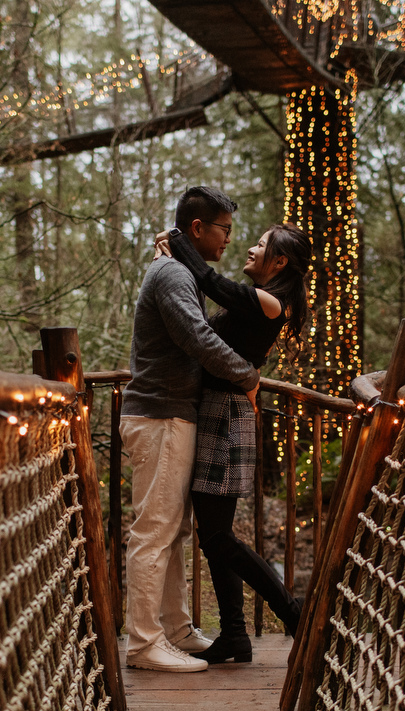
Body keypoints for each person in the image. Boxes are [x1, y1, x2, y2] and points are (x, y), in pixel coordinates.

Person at [120, 186, 261, 673]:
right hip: (159, 415)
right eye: (223, 229)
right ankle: (142, 643)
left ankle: (175, 629)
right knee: (154, 530)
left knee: (173, 529)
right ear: (197, 229)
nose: (228, 239)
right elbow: (197, 337)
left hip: (173, 414)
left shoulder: (179, 270)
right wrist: (249, 374)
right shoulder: (173, 273)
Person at [157, 222, 309, 664]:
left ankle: (292, 612)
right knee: (213, 533)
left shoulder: (270, 302)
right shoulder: (260, 301)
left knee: (219, 535)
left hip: (225, 416)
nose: (249, 247)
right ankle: (236, 635)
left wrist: (177, 239)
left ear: (279, 262)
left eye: (261, 245)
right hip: (215, 412)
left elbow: (210, 282)